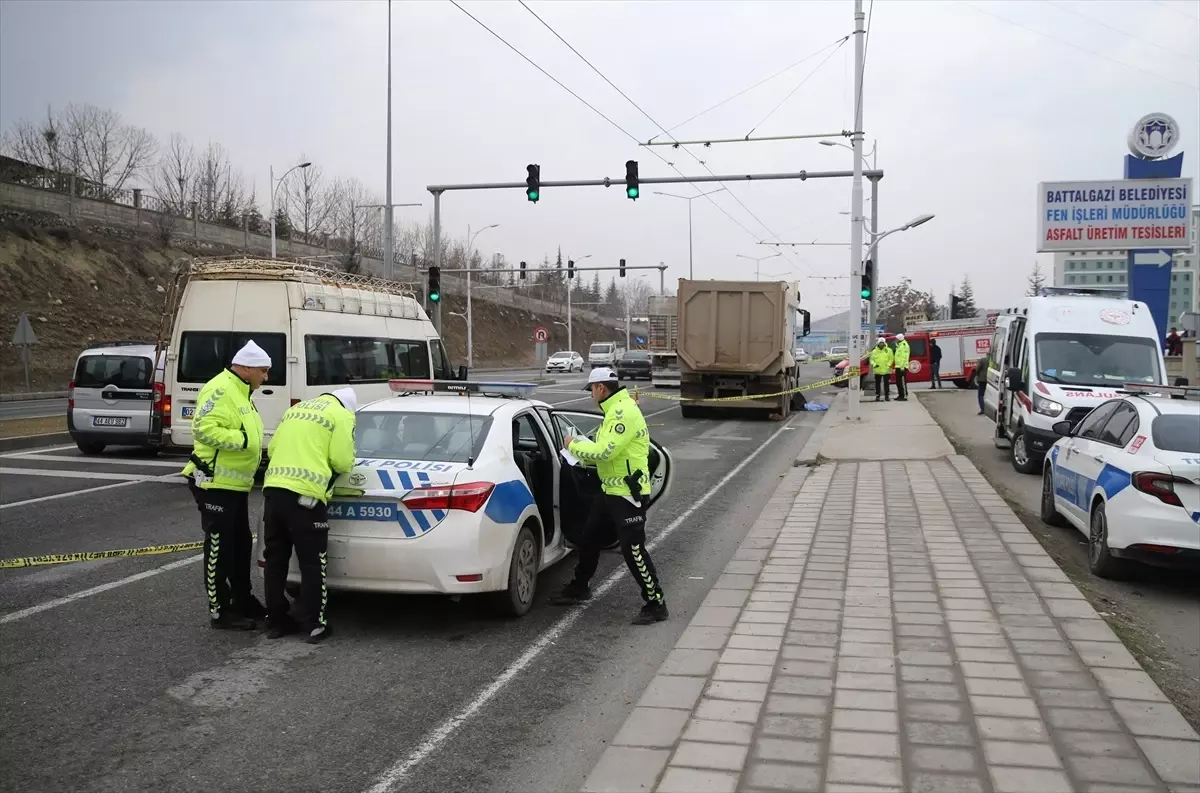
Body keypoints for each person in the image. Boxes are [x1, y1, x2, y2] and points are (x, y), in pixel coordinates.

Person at [552, 367, 668, 625]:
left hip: (627, 494)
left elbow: (604, 452)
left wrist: (573, 445)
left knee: (633, 550)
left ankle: (656, 602)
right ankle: (580, 586)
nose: (591, 395)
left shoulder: (622, 413)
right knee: (589, 537)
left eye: (592, 390)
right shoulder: (614, 411)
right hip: (610, 490)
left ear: (601, 388)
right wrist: (583, 450)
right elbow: (605, 450)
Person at [182, 340, 271, 631]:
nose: (266, 377)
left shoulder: (242, 391)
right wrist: (244, 441)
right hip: (215, 482)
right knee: (219, 549)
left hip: (235, 484)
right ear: (245, 368)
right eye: (263, 371)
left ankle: (243, 599)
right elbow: (203, 429)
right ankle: (220, 610)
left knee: (241, 545)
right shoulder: (220, 389)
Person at [261, 387, 358, 643]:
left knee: (275, 559)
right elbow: (341, 461)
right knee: (313, 562)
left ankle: (276, 621)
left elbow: (272, 450)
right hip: (306, 498)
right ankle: (314, 623)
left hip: (274, 491)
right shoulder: (342, 415)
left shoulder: (296, 409)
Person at [869, 338, 894, 402]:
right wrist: (874, 364)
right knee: (877, 384)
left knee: (886, 383)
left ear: (884, 343)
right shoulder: (874, 351)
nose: (881, 344)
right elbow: (871, 359)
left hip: (887, 370)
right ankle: (877, 396)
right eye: (880, 343)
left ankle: (887, 396)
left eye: (882, 343)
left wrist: (888, 365)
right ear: (878, 343)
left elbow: (891, 359)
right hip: (877, 370)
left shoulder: (889, 350)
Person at [892, 334, 911, 401]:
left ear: (899, 339)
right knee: (898, 382)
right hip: (898, 366)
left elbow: (904, 357)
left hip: (902, 367)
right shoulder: (899, 345)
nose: (895, 340)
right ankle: (900, 395)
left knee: (902, 382)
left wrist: (902, 367)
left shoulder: (904, 345)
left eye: (896, 339)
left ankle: (904, 396)